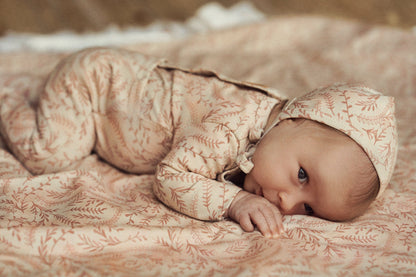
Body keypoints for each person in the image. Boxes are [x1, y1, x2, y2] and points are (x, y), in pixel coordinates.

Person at [0, 47, 398, 238]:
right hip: (96, 84)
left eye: (309, 209)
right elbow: (170, 176)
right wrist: (234, 201)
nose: (287, 203)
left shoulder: (275, 137)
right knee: (52, 154)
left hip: (116, 90)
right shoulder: (228, 125)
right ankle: (10, 96)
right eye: (301, 175)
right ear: (294, 118)